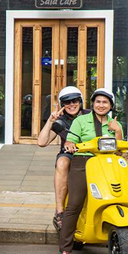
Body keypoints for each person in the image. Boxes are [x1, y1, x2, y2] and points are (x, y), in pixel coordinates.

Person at [58, 88, 123, 254]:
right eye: (98, 102)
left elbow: (120, 151)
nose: (101, 105)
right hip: (83, 162)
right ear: (93, 104)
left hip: (108, 165)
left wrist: (117, 131)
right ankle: (65, 249)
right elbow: (70, 140)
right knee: (75, 203)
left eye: (105, 102)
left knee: (121, 199)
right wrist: (71, 144)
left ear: (110, 106)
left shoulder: (114, 123)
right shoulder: (81, 121)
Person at [36, 86, 89, 231]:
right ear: (62, 105)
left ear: (81, 101)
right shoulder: (61, 120)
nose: (71, 105)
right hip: (69, 155)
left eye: (75, 101)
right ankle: (59, 211)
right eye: (67, 102)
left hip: (91, 154)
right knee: (62, 162)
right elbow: (41, 142)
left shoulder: (90, 115)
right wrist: (51, 121)